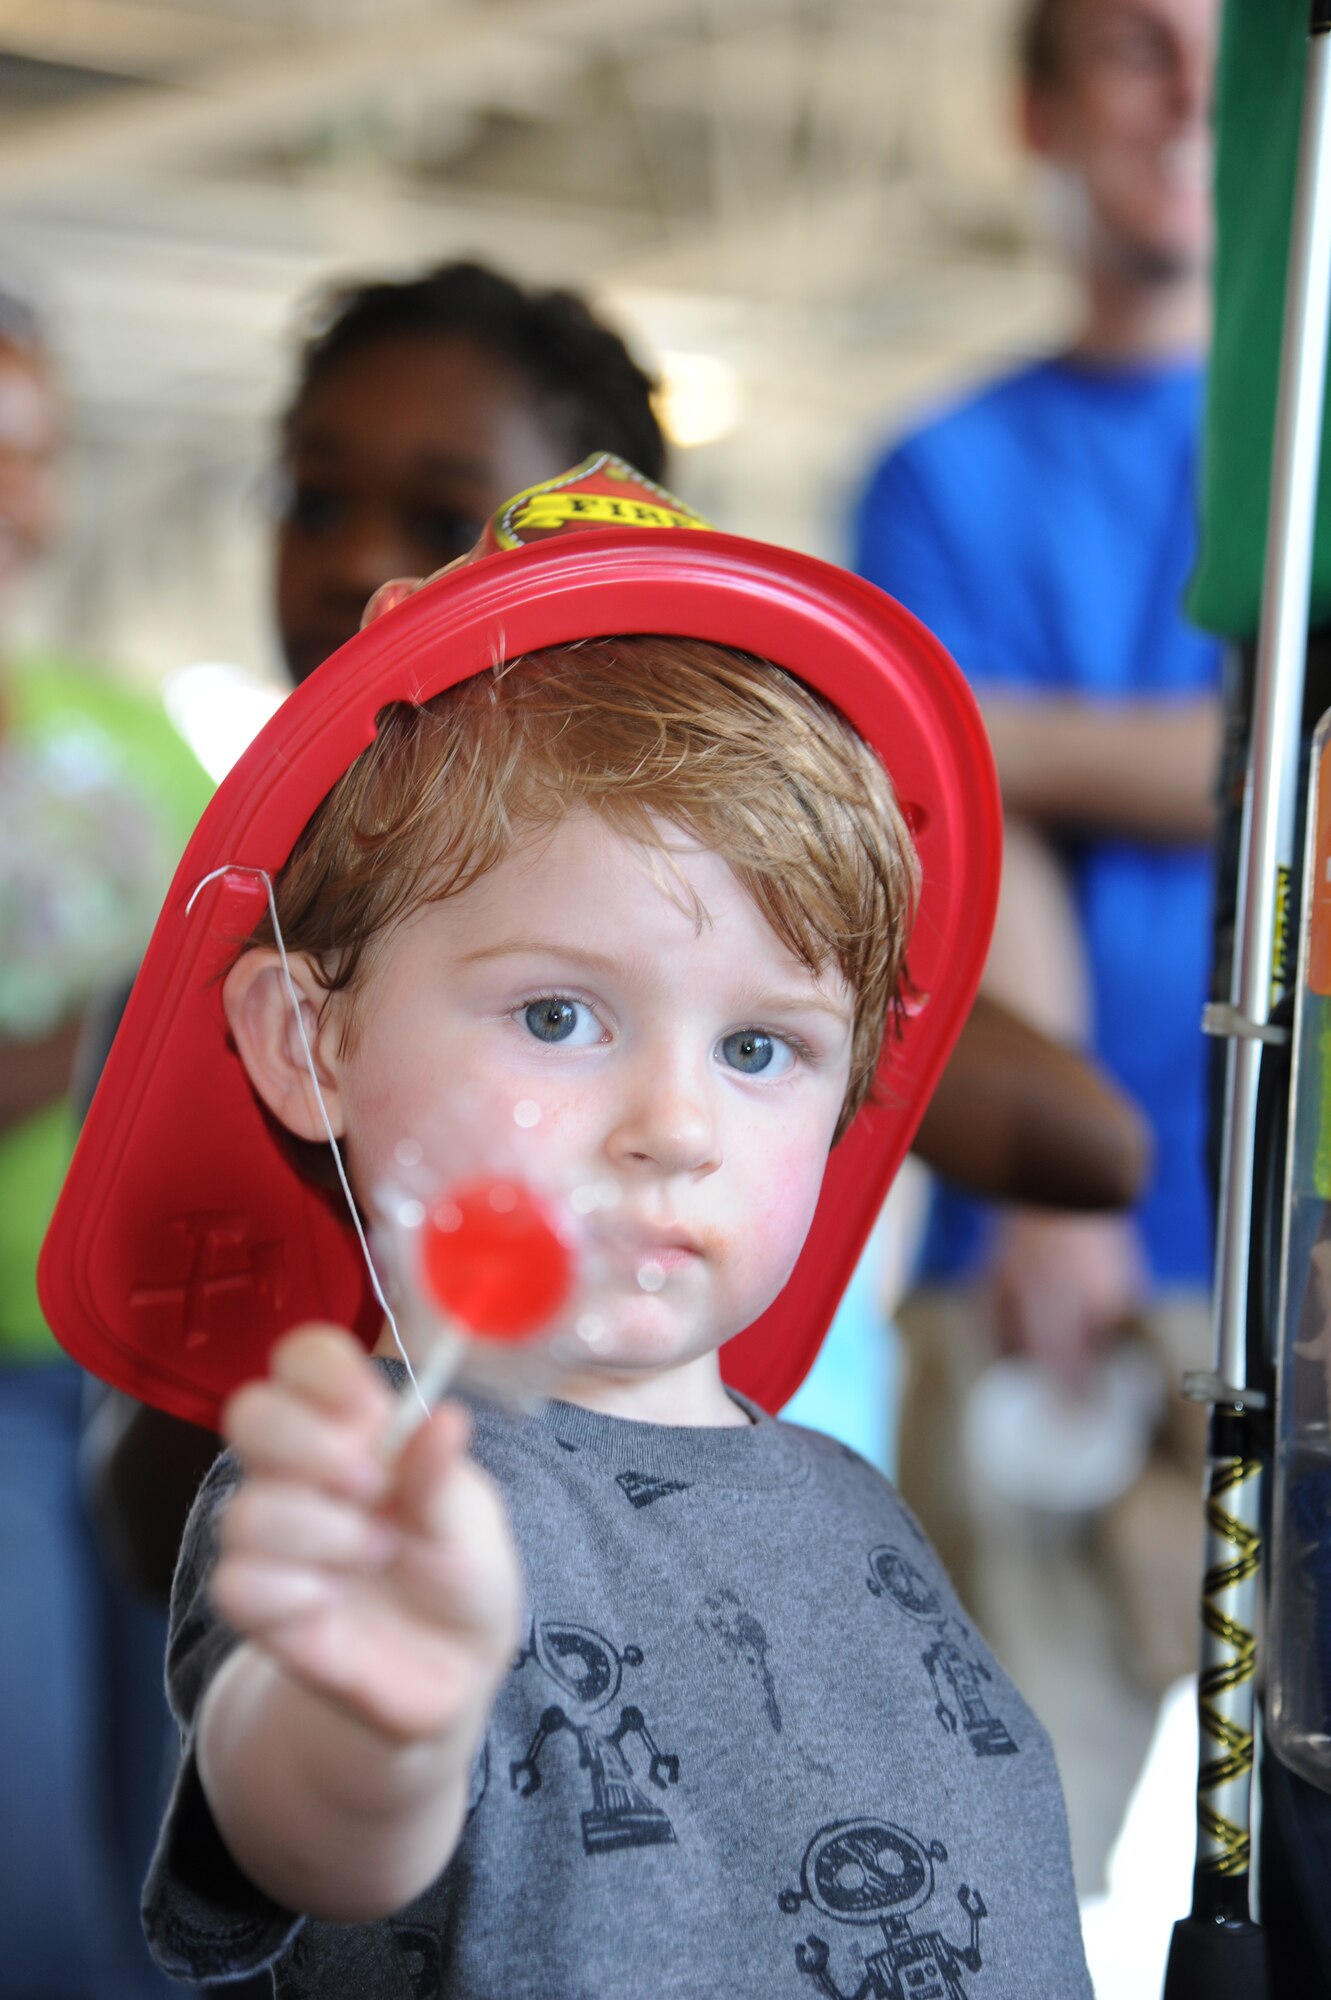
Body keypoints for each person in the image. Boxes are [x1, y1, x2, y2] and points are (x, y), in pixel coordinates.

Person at [43, 457, 1094, 1996]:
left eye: (760, 1048)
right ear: (309, 1044)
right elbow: (312, 1827)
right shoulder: (384, 1502)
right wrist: (376, 1721)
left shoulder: (854, 1504)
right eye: (558, 1014)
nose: (673, 1125)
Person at [86, 258, 1151, 1606]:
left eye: (439, 512)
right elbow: (140, 1515)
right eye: (315, 499)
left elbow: (1092, 1146)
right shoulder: (206, 976)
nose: (357, 558)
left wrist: (749, 969)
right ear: (300, 1031)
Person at [852, 0, 1223, 1873]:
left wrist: (1010, 725)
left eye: (1234, 48)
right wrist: (1061, 1175)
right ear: (1039, 104)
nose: (1195, 91)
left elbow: (1274, 762)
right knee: (1005, 1857)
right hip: (1040, 1263)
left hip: (1285, 1253)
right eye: (1139, 45)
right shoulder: (944, 473)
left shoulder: (1296, 465)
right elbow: (973, 841)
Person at [0, 290, 213, 1996]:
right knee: (31, 1867)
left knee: (181, 1850)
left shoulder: (131, 741)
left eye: (34, 454)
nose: (14, 498)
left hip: (156, 1360)